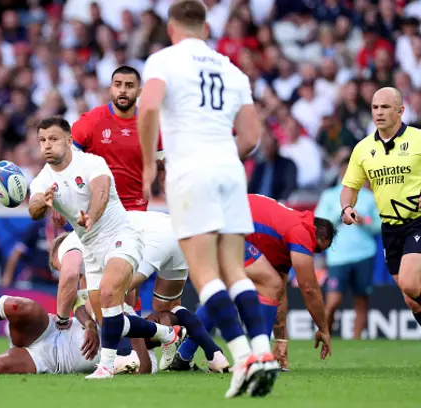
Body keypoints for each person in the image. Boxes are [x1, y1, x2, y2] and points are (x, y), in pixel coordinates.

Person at [137, 0, 276, 398]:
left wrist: (149, 165)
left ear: (171, 28)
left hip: (190, 171)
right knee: (235, 269)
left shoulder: (163, 60)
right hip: (230, 171)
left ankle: (242, 357)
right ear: (207, 29)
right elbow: (251, 137)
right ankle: (263, 354)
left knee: (205, 273)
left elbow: (148, 109)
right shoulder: (231, 70)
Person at [27, 115, 184, 380]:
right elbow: (32, 209)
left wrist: (90, 215)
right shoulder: (42, 179)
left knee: (111, 293)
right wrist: (43, 200)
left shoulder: (92, 162)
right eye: (42, 140)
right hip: (92, 250)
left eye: (53, 139)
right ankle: (167, 334)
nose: (47, 146)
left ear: (68, 140)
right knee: (110, 320)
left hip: (121, 236)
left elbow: (101, 191)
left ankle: (106, 367)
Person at [49, 210, 230, 374]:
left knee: (105, 302)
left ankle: (128, 354)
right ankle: (214, 354)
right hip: (176, 233)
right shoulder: (93, 245)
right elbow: (95, 289)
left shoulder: (69, 244)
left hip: (150, 240)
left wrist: (62, 321)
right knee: (170, 307)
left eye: (59, 267)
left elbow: (70, 274)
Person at [172, 194, 336, 372]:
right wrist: (323, 328)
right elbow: (310, 288)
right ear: (316, 233)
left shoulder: (284, 238)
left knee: (235, 290)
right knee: (268, 282)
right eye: (317, 249)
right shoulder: (302, 232)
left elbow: (278, 293)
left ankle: (184, 355)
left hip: (220, 225)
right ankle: (259, 358)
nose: (314, 254)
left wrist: (281, 341)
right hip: (222, 226)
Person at [0, 288, 179, 376]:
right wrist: (90, 324)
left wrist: (141, 334)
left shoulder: (149, 362)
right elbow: (79, 299)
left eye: (163, 325)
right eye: (159, 318)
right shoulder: (122, 310)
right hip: (54, 329)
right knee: (22, 306)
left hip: (54, 362)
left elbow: (137, 369)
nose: (158, 322)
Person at [341, 86, 421, 328]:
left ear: (400, 111)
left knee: (410, 284)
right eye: (375, 107)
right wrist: (346, 208)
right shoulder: (363, 148)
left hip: (417, 220)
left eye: (385, 107)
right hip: (390, 227)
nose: (379, 112)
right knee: (412, 301)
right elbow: (350, 187)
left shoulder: (418, 139)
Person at [71, 66, 163, 211]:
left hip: (135, 211)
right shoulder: (90, 121)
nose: (123, 90)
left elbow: (162, 168)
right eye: (118, 85)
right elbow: (66, 160)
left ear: (139, 91)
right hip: (97, 212)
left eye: (129, 86)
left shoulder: (151, 126)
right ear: (110, 89)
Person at [316, 157, 381, 340]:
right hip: (338, 255)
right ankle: (325, 334)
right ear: (341, 171)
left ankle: (357, 340)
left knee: (361, 300)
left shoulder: (370, 196)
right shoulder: (329, 195)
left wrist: (364, 222)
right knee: (333, 300)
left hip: (364, 253)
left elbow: (380, 225)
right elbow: (319, 224)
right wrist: (341, 214)